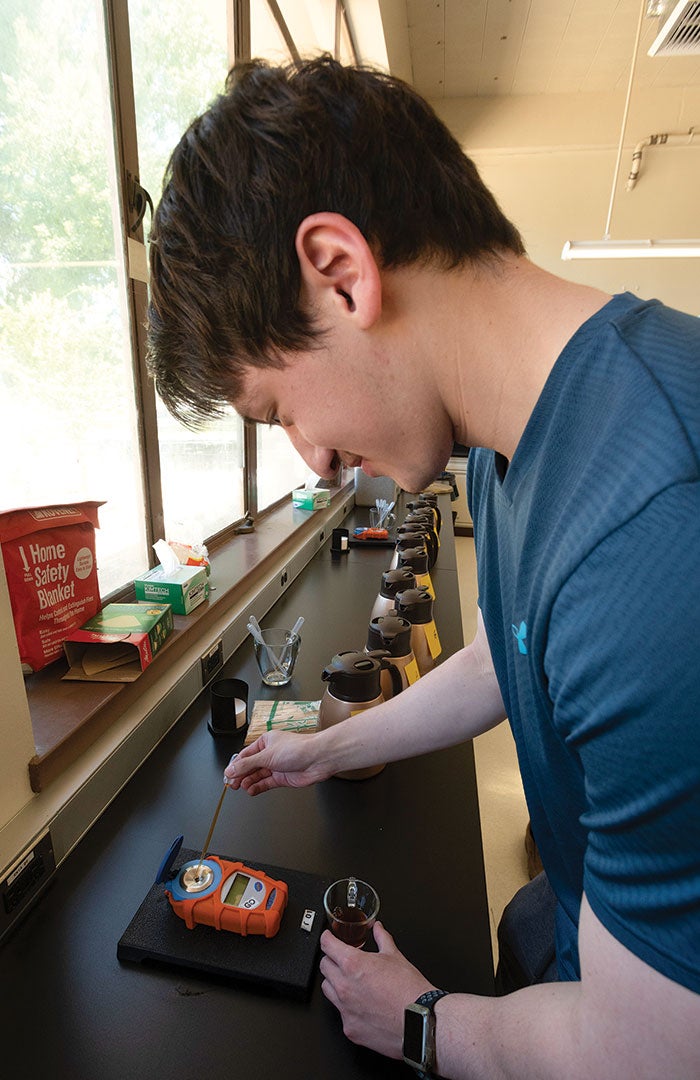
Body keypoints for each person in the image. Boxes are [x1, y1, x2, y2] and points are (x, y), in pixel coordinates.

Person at [147, 55, 700, 1079]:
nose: (309, 455)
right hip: (591, 934)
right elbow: (509, 659)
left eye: (278, 409)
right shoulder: (506, 440)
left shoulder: (650, 538)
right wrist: (331, 745)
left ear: (342, 271)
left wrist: (425, 1020)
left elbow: (651, 1054)